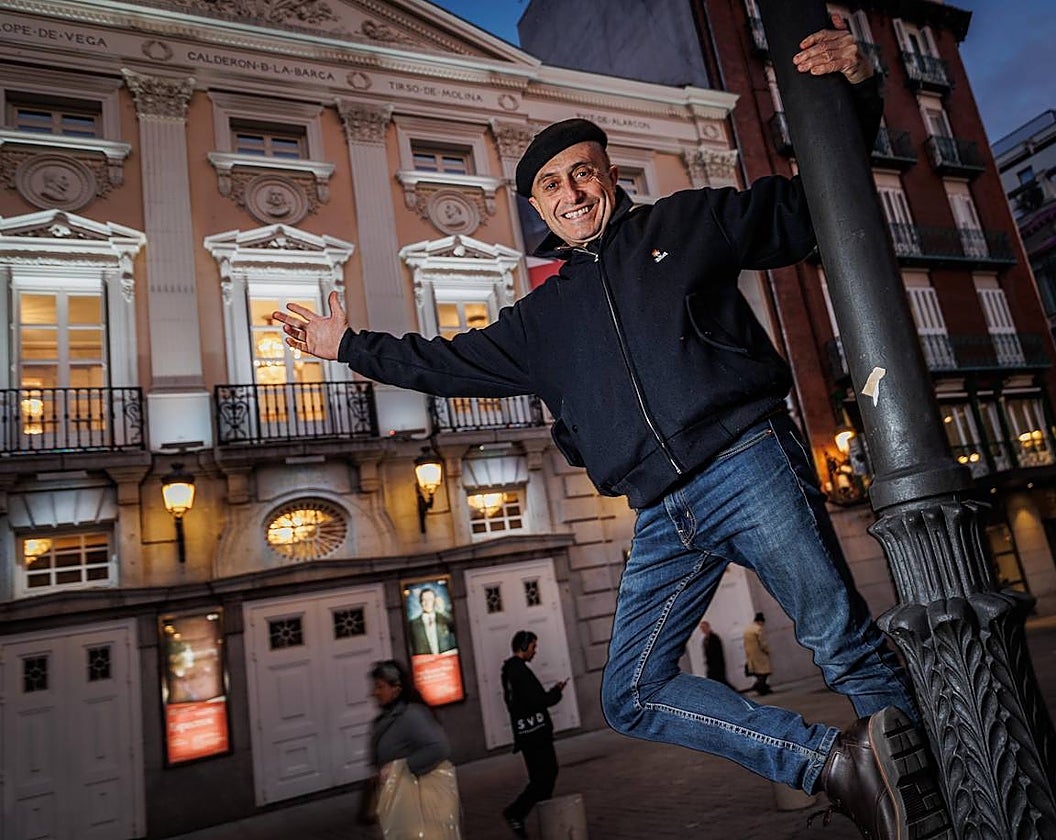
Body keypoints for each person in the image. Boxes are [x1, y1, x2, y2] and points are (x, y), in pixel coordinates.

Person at [274, 16, 947, 839]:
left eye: (583, 173)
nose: (572, 193)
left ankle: (938, 797)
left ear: (608, 176)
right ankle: (831, 766)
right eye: (552, 185)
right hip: (663, 512)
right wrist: (344, 345)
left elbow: (812, 211)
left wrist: (860, 88)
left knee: (842, 643)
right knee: (631, 692)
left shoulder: (684, 226)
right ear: (537, 206)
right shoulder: (541, 319)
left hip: (748, 463)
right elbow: (441, 361)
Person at [367, 660, 459, 838]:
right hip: (401, 803)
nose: (374, 693)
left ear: (396, 688)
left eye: (380, 687)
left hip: (418, 804)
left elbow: (439, 748)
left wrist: (399, 768)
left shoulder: (411, 715)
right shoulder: (388, 717)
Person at [500, 631, 567, 838]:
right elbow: (540, 700)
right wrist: (556, 691)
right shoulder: (520, 672)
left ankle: (542, 816)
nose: (535, 652)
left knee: (541, 777)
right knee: (546, 775)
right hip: (535, 733)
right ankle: (516, 813)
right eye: (533, 647)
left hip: (526, 732)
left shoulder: (509, 671)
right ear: (524, 646)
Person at [408, 587, 457, 655]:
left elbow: (456, 628)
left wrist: (443, 611)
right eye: (424, 600)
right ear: (420, 602)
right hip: (424, 663)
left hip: (445, 662)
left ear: (435, 601)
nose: (427, 603)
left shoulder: (444, 618)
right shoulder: (412, 624)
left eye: (430, 599)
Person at [742, 612, 773, 695]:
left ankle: (762, 687)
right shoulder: (758, 629)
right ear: (760, 621)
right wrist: (767, 651)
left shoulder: (747, 630)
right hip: (759, 654)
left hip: (751, 654)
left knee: (757, 672)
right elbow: (762, 643)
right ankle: (760, 687)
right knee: (764, 672)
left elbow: (745, 643)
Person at [699, 620, 730, 687]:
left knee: (721, 681)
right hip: (710, 665)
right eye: (701, 628)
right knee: (715, 682)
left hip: (717, 665)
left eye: (704, 627)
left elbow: (717, 653)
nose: (702, 629)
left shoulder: (714, 638)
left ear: (708, 627)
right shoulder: (705, 640)